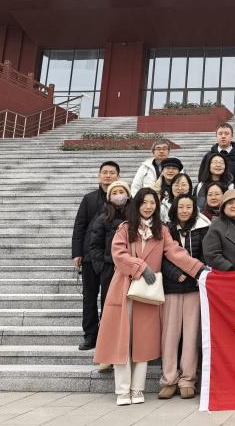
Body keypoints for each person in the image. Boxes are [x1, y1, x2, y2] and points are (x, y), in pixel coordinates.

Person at [94, 188, 205, 406]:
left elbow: (175, 252)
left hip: (148, 292)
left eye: (152, 203)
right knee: (123, 341)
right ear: (137, 205)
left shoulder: (161, 230)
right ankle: (123, 390)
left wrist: (199, 269)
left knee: (142, 341)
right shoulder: (125, 228)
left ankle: (137, 388)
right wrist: (141, 267)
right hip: (124, 288)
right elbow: (118, 254)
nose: (148, 206)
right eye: (144, 202)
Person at [158, 193, 209, 400]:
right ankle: (169, 378)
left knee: (191, 335)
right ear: (175, 209)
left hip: (194, 289)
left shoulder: (203, 229)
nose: (185, 210)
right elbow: (160, 257)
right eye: (181, 207)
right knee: (170, 336)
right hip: (172, 287)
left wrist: (196, 275)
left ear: (194, 209)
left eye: (189, 207)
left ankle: (188, 379)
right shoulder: (166, 230)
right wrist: (175, 274)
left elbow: (205, 256)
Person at [72, 160, 119, 350]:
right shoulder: (89, 198)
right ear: (99, 176)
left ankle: (107, 335)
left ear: (118, 176)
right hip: (89, 256)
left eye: (112, 173)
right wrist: (77, 253)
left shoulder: (122, 199)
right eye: (104, 172)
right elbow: (79, 226)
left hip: (112, 258)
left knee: (109, 297)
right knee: (89, 296)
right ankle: (90, 335)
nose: (108, 176)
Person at [85, 179, 130, 350]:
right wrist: (102, 267)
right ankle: (107, 346)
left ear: (128, 195)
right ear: (109, 197)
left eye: (122, 192)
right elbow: (94, 245)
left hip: (131, 269)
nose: (119, 196)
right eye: (115, 193)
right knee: (109, 307)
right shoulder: (103, 218)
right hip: (110, 270)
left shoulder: (135, 216)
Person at [203, 189, 235, 271]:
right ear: (224, 207)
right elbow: (211, 254)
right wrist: (230, 268)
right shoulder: (216, 226)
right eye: (230, 203)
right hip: (227, 275)